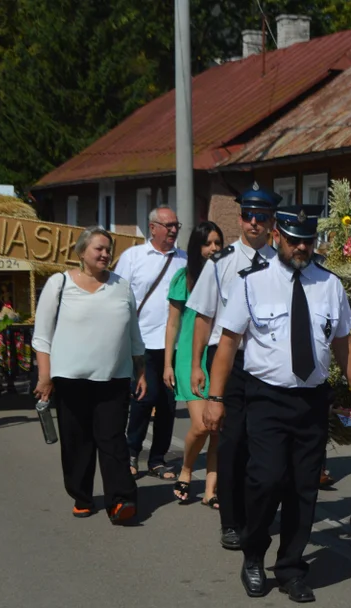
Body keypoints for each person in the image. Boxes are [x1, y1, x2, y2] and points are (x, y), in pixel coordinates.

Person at [204, 206, 351, 603]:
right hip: (266, 396)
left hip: (311, 401)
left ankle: (292, 567)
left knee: (303, 487)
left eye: (307, 241)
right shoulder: (252, 283)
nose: (300, 248)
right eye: (293, 240)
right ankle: (254, 556)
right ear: (277, 235)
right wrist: (214, 397)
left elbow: (344, 342)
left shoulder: (328, 285)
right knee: (265, 479)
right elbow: (228, 344)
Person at [186, 185, 282, 551]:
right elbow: (203, 317)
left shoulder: (282, 262)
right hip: (231, 362)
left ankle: (257, 511)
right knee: (231, 440)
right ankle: (231, 519)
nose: (254, 223)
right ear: (240, 218)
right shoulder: (221, 262)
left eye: (261, 217)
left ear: (272, 222)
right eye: (247, 216)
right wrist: (196, 365)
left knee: (263, 443)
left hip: (268, 363)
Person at [32, 227, 147, 524]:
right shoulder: (60, 284)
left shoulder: (122, 287)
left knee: (112, 440)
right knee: (77, 440)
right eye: (99, 249)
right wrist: (45, 376)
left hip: (114, 378)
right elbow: (42, 337)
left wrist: (141, 370)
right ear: (82, 252)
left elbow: (134, 334)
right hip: (71, 379)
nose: (105, 254)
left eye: (109, 249)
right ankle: (82, 496)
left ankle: (121, 500)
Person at [115, 206, 187, 481]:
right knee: (144, 399)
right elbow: (120, 297)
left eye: (176, 226)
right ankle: (131, 452)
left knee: (169, 404)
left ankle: (157, 459)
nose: (173, 230)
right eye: (167, 225)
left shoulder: (184, 259)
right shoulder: (133, 257)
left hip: (174, 345)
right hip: (142, 342)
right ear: (152, 227)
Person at [164, 221, 224, 506]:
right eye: (208, 243)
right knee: (201, 425)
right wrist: (168, 363)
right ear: (196, 247)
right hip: (190, 355)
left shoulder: (228, 274)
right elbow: (173, 323)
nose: (213, 248)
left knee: (218, 428)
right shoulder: (184, 277)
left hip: (219, 355)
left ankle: (211, 489)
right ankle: (187, 469)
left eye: (217, 243)